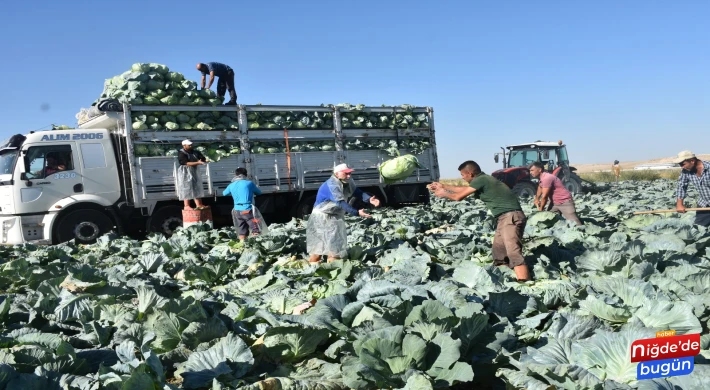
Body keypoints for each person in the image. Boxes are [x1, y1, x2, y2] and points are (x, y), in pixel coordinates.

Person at [430, 161, 531, 281]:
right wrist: (443, 186)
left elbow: (458, 196)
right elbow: (463, 190)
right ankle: (505, 278)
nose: (462, 178)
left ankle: (525, 282)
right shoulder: (483, 180)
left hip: (510, 216)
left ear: (470, 173)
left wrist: (444, 193)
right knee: (499, 252)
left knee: (512, 251)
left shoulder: (481, 179)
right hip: (504, 218)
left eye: (463, 175)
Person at [307, 163, 381, 263]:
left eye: (350, 173)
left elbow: (356, 192)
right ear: (337, 174)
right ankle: (314, 266)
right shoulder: (332, 185)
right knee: (319, 246)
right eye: (346, 173)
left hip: (335, 216)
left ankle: (332, 268)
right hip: (322, 217)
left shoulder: (347, 181)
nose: (349, 176)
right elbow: (340, 202)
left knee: (335, 245)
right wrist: (356, 212)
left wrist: (369, 199)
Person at [529, 161, 583, 226]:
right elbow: (540, 187)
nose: (530, 172)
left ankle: (583, 233)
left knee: (575, 223)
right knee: (549, 220)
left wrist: (540, 210)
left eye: (532, 170)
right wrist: (536, 199)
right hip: (554, 203)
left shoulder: (547, 178)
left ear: (540, 170)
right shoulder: (542, 178)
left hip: (565, 202)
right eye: (530, 171)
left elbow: (544, 197)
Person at [223, 167, 263, 240]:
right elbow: (259, 192)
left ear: (236, 175)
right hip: (247, 210)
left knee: (242, 231)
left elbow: (224, 193)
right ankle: (255, 245)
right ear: (246, 174)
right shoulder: (249, 183)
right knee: (256, 229)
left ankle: (242, 245)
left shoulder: (231, 185)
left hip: (237, 211)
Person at [674, 150, 710, 227]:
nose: (682, 167)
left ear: (692, 161)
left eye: (683, 164)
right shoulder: (685, 171)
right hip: (704, 205)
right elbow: (681, 186)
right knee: (698, 231)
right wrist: (679, 204)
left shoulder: (709, 168)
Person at [176, 140, 208, 210]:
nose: (191, 146)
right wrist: (198, 163)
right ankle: (186, 206)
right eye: (189, 145)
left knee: (196, 186)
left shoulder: (195, 152)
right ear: (184, 146)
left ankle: (199, 204)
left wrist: (204, 160)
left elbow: (202, 158)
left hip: (194, 171)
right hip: (185, 172)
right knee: (186, 187)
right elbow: (186, 163)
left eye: (191, 145)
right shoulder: (181, 153)